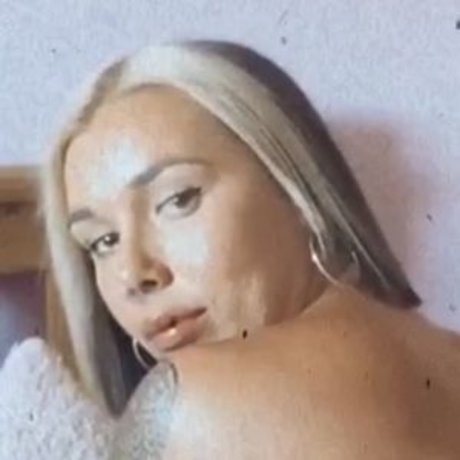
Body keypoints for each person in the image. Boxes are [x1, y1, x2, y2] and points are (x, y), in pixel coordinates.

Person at [42, 42, 460, 458]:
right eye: (103, 241)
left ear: (295, 185)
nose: (133, 273)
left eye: (178, 200)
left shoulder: (193, 406)